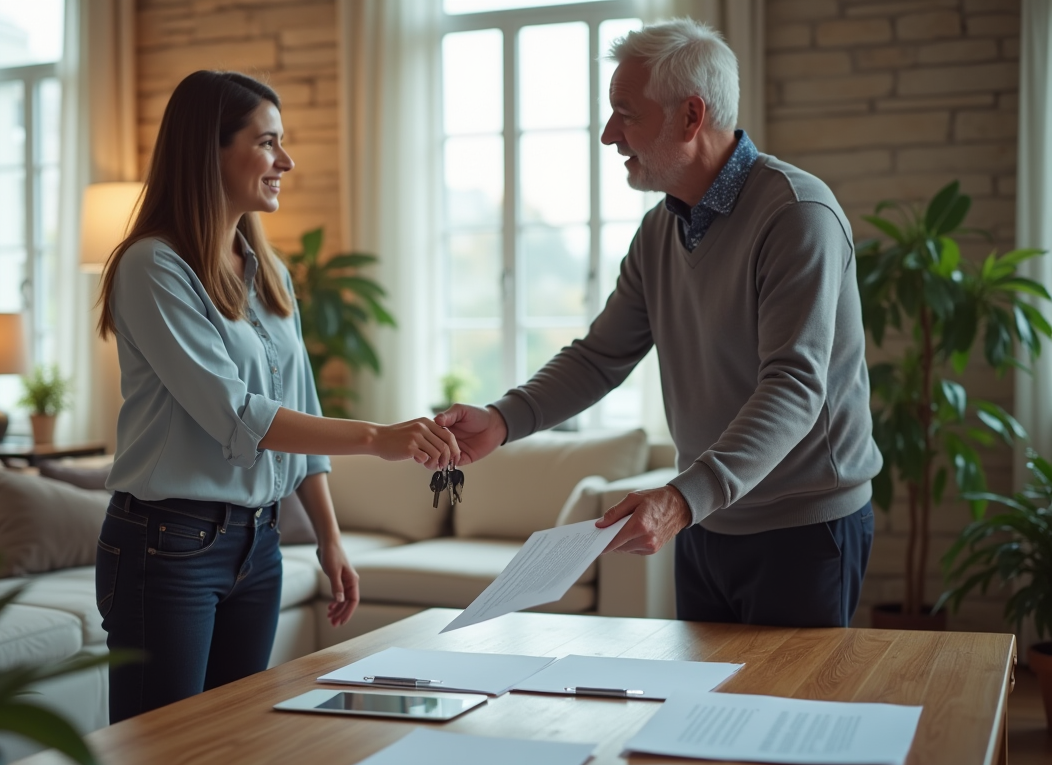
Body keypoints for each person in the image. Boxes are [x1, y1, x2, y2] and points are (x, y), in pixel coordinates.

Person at [438, 20, 882, 629]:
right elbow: (600, 356)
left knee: (788, 720)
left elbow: (794, 387)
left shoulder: (796, 215)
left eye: (627, 114)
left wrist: (681, 498)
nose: (608, 135)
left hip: (804, 528)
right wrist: (503, 418)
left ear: (691, 115)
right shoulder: (659, 231)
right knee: (703, 722)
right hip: (707, 520)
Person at [95, 70, 459, 723]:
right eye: (267, 143)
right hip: (168, 545)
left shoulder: (267, 269)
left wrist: (329, 537)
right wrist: (378, 438)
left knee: (233, 742)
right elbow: (240, 416)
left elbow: (301, 405)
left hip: (257, 544)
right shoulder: (152, 267)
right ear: (209, 151)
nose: (285, 162)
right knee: (160, 756)